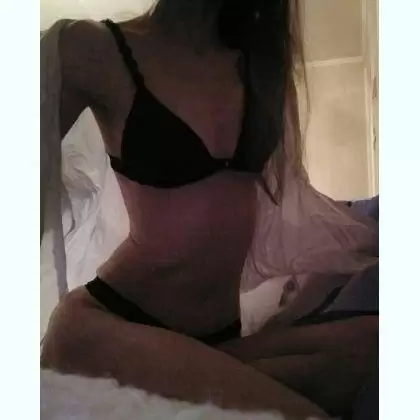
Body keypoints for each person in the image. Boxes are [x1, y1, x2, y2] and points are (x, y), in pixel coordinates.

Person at [40, 0, 377, 417]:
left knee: (377, 345)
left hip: (219, 340)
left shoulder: (261, 65)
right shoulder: (93, 49)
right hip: (115, 325)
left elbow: (288, 198)